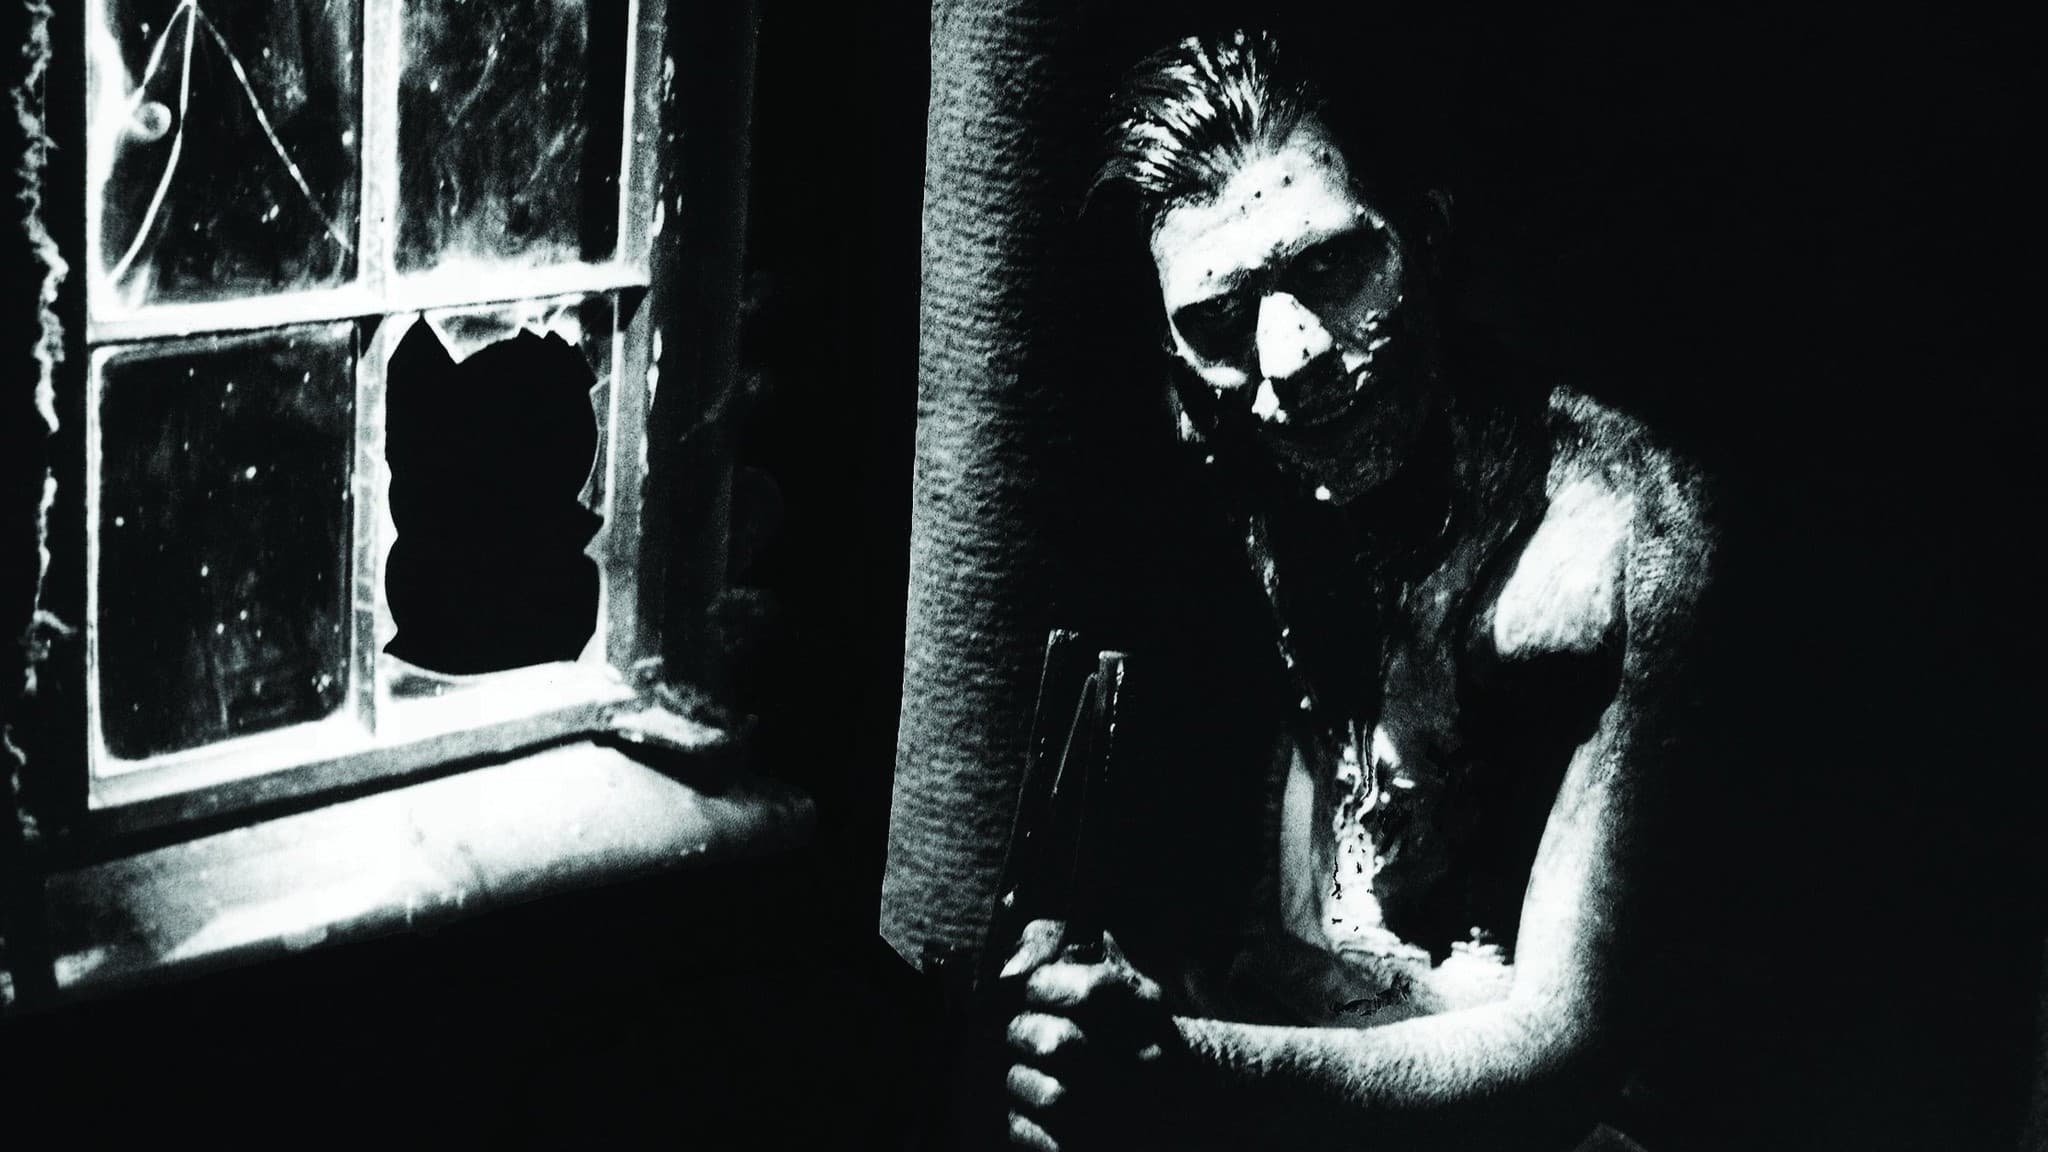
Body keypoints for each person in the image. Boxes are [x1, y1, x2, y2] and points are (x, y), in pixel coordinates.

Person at [998, 29, 1715, 1151]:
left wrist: (1193, 1070)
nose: (1289, 356)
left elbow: (1567, 1051)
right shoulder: (1235, 474)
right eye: (1219, 319)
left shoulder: (1623, 537)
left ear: (1424, 231)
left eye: (1330, 268)